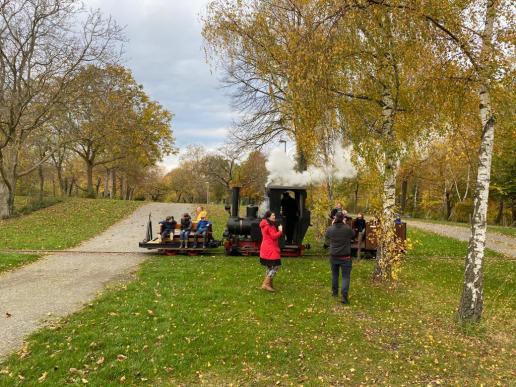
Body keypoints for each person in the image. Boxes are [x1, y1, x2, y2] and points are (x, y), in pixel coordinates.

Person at [325, 212, 355, 304]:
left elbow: (327, 236)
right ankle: (344, 297)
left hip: (334, 256)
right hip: (345, 256)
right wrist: (345, 224)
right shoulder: (347, 229)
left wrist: (332, 224)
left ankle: (334, 292)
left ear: (335, 218)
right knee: (346, 277)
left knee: (335, 275)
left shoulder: (330, 229)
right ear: (343, 219)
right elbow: (353, 234)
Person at [259, 211, 283, 292]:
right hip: (271, 248)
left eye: (274, 215)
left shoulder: (264, 224)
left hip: (265, 247)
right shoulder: (269, 226)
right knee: (276, 266)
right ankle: (266, 284)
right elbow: (273, 236)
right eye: (273, 215)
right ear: (268, 217)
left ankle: (269, 284)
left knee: (269, 266)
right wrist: (280, 231)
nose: (274, 217)